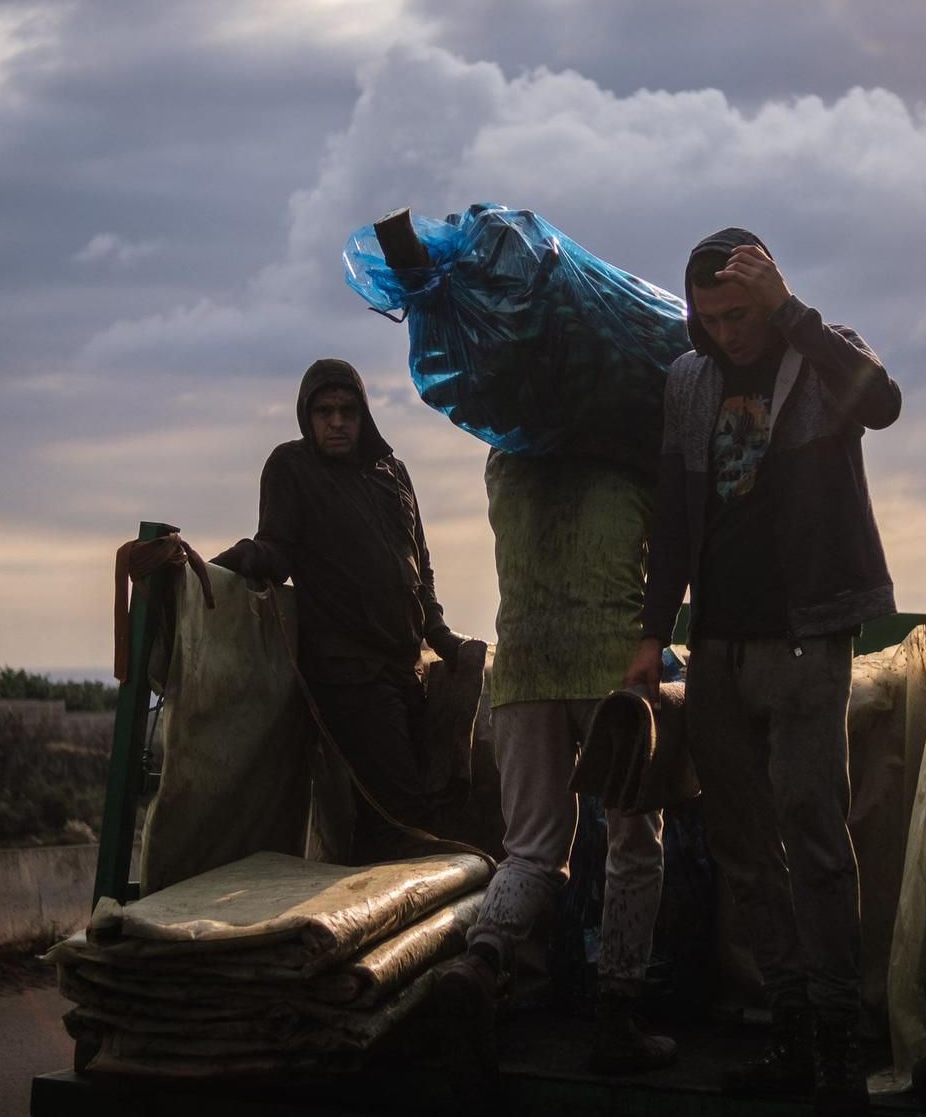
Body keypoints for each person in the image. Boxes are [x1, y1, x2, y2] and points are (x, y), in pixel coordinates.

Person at [623, 228, 901, 1115]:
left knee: (816, 835)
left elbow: (885, 404)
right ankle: (789, 1030)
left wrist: (791, 310)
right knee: (744, 845)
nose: (729, 332)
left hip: (807, 637)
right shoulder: (688, 381)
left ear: (771, 293)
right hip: (717, 648)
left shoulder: (822, 355)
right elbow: (672, 513)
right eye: (712, 317)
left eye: (742, 314)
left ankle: (835, 1045)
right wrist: (651, 632)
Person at [434, 449, 675, 1073]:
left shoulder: (506, 461)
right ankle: (617, 1013)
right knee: (635, 840)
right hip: (613, 672)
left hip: (522, 669)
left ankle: (479, 963)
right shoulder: (631, 461)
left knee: (533, 849)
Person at [211, 357, 476, 864]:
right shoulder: (293, 467)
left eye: (347, 411)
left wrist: (442, 638)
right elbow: (276, 551)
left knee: (419, 809)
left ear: (364, 415)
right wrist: (214, 565)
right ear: (307, 418)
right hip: (348, 676)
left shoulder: (392, 473)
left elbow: (419, 566)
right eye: (324, 411)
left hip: (408, 671)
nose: (336, 422)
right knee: (400, 816)